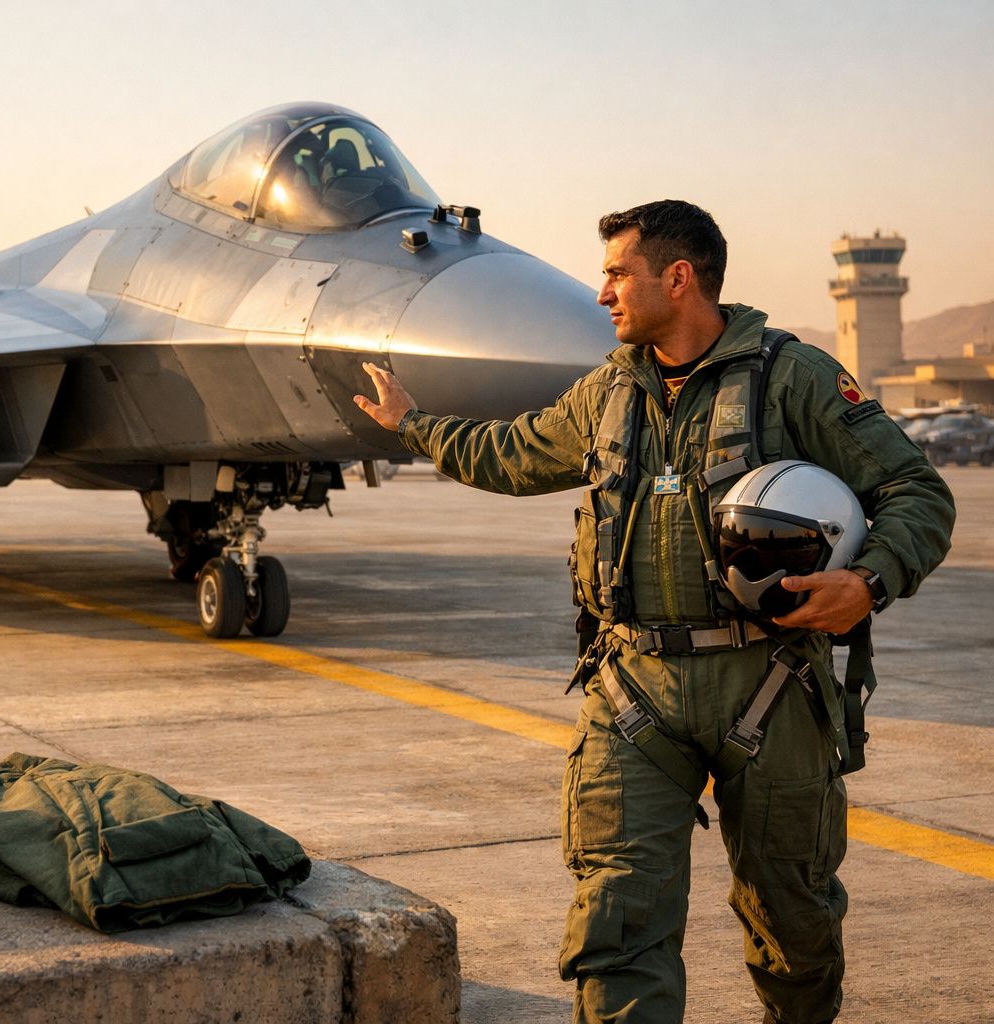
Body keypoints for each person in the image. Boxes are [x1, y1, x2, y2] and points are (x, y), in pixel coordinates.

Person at [353, 199, 955, 1024]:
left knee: (794, 919)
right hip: (633, 692)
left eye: (616, 274)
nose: (602, 293)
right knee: (617, 922)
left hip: (768, 684)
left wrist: (871, 582)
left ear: (679, 278)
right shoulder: (607, 392)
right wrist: (413, 424)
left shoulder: (794, 377)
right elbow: (513, 453)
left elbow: (916, 493)